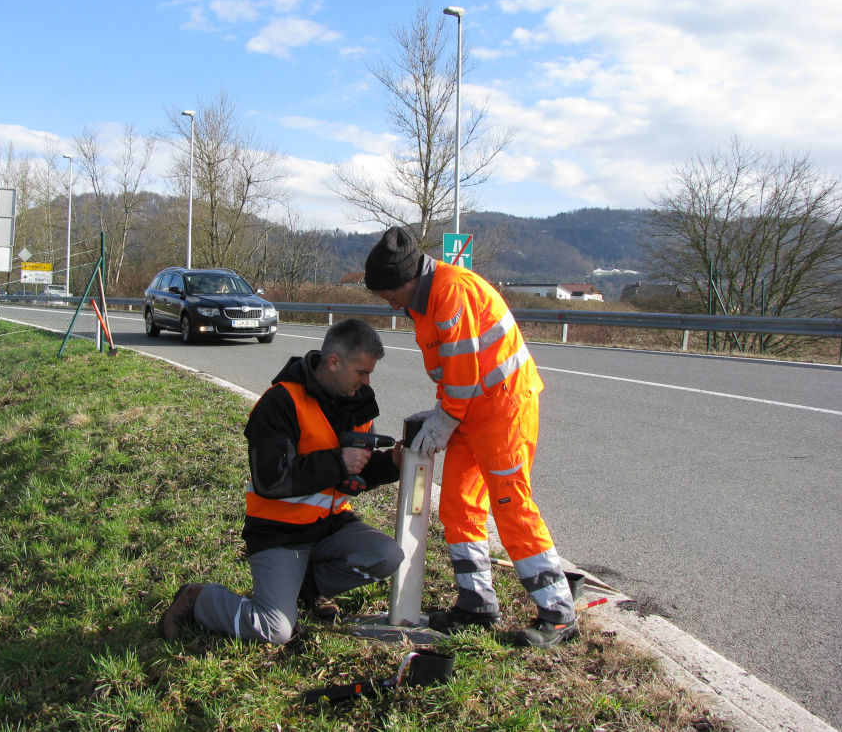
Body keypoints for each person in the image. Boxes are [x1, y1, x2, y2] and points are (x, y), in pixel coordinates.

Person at [363, 226, 577, 647]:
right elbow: (451, 372)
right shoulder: (422, 302)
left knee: (510, 503)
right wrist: (442, 411)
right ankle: (477, 602)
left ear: (408, 281)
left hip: (503, 408)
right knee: (459, 503)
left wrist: (443, 419)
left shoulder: (450, 291)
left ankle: (557, 612)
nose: (389, 304)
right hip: (468, 411)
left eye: (390, 295)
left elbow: (464, 369)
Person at [159, 318, 405, 644]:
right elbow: (271, 481)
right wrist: (337, 462)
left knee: (387, 555)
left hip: (330, 525)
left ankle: (305, 588)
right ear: (334, 362)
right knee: (275, 629)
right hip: (279, 532)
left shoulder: (359, 402)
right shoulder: (279, 403)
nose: (367, 381)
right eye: (362, 372)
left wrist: (392, 464)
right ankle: (200, 599)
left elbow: (356, 472)